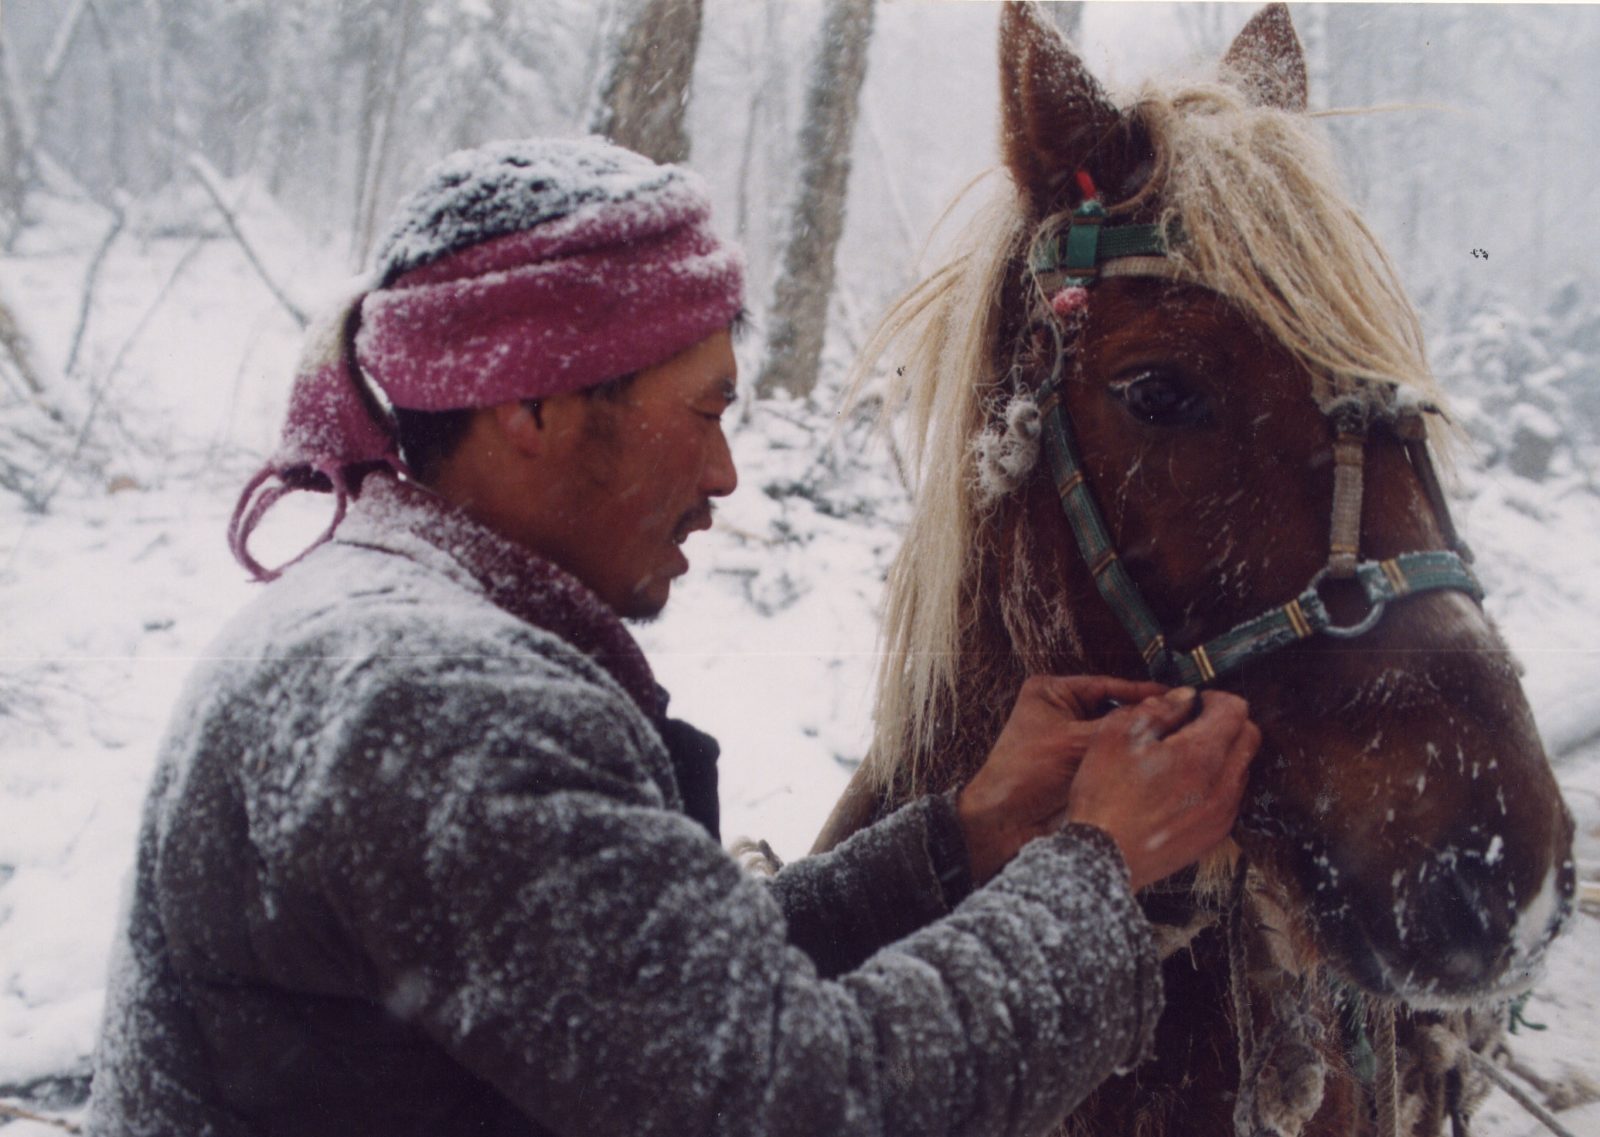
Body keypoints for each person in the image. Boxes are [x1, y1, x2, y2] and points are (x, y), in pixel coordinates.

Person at [86, 138, 1259, 1137]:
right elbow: (793, 1101)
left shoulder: (381, 631)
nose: (725, 473)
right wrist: (1094, 868)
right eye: (702, 411)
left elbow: (646, 1002)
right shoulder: (439, 702)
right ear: (529, 407)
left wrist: (963, 840)